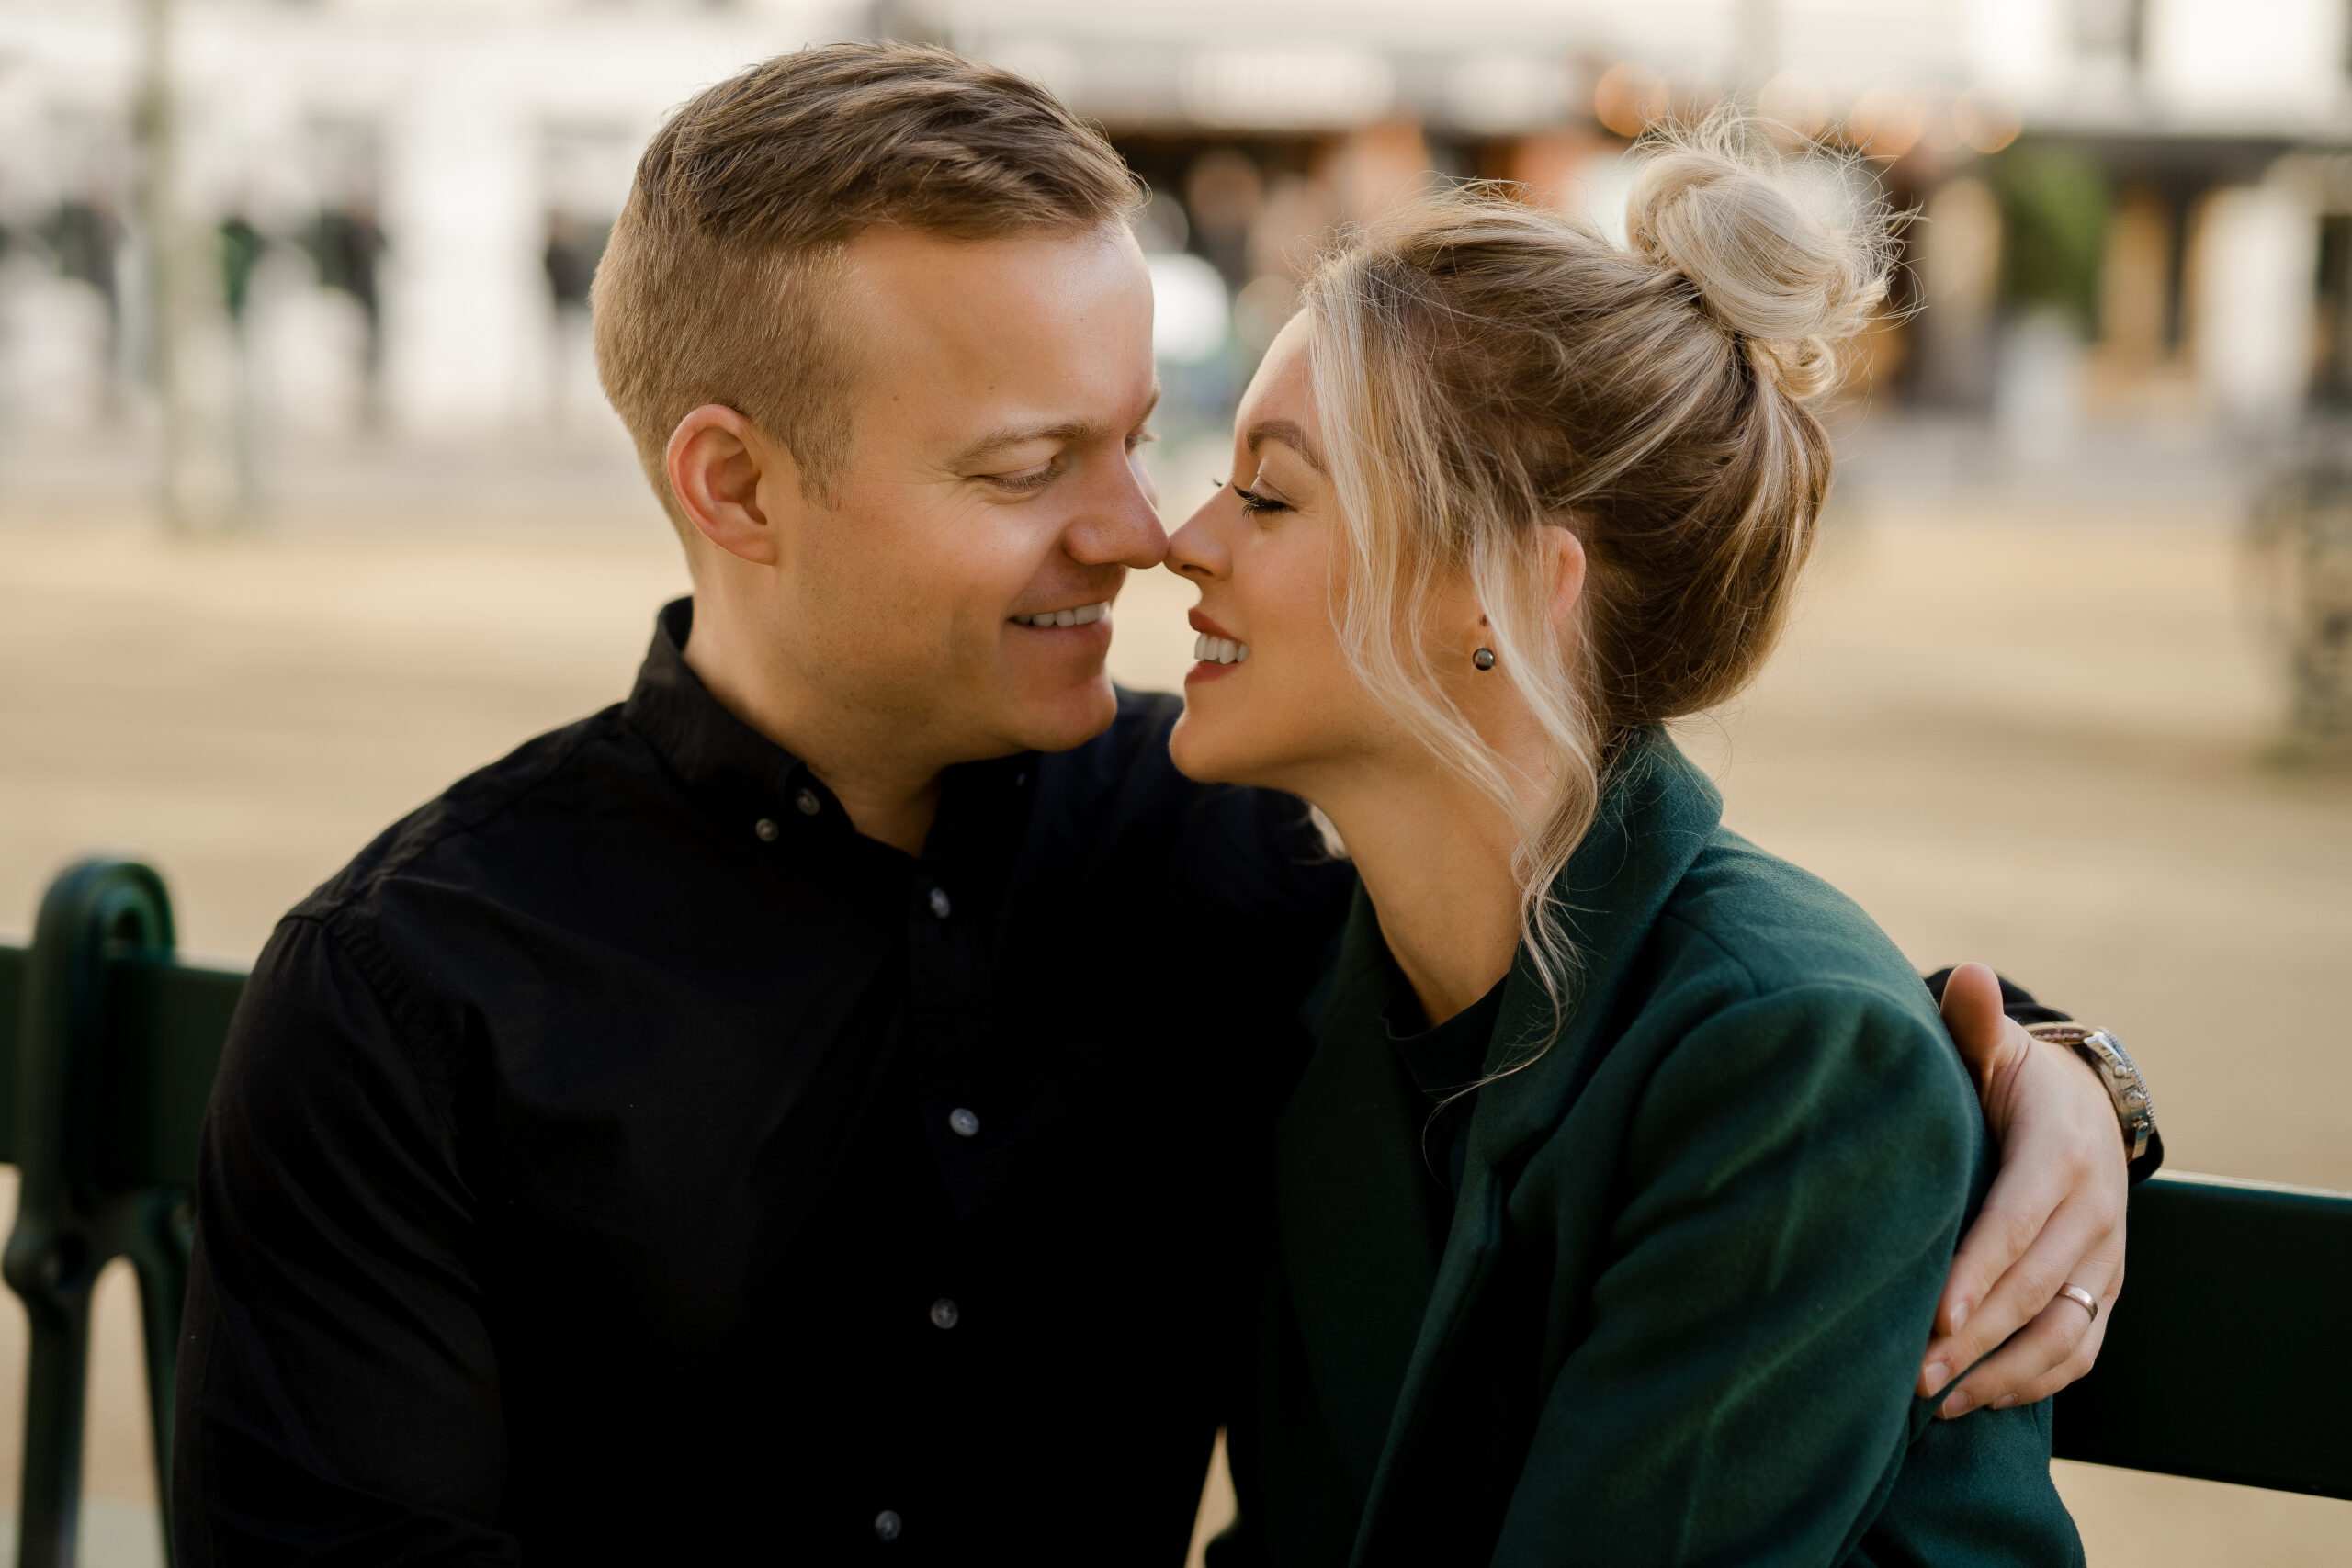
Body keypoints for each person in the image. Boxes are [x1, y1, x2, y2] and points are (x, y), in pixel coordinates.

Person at [174, 45, 2143, 1565]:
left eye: (1150, 441)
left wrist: (2048, 1067)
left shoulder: (1243, 862)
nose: (1138, 534)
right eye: (1033, 461)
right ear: (735, 486)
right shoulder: (399, 995)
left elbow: (1635, 951)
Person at [1168, 126, 2110, 1565]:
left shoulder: (1791, 1063)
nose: (1183, 539)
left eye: (1270, 493)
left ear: (1501, 589)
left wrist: (2057, 1073)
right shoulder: (1321, 980)